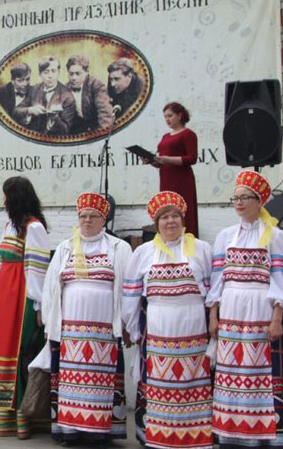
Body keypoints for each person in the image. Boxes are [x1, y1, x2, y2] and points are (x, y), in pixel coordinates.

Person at [123, 191, 213, 448]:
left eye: (175, 216)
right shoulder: (143, 252)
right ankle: (161, 438)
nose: (170, 221)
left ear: (183, 220)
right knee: (160, 382)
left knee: (191, 382)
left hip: (193, 324)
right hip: (159, 324)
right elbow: (130, 294)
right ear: (156, 223)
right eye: (164, 217)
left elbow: (214, 290)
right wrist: (131, 327)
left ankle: (194, 438)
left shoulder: (202, 249)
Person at [42, 193, 132, 444]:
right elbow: (51, 286)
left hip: (104, 331)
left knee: (101, 382)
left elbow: (128, 287)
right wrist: (51, 325)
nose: (88, 220)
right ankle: (71, 430)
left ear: (104, 220)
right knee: (72, 382)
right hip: (70, 332)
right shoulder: (66, 247)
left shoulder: (118, 248)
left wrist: (126, 324)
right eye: (83, 216)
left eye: (94, 216)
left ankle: (100, 431)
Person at [206, 171, 283, 446]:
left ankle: (259, 434)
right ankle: (229, 432)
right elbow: (218, 279)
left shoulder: (275, 236)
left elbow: (279, 279)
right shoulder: (225, 236)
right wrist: (214, 315)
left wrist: (277, 317)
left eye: (244, 198)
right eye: (235, 198)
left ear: (259, 200)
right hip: (231, 308)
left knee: (258, 368)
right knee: (230, 369)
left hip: (260, 307)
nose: (238, 203)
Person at [0, 176, 51, 438]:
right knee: (3, 348)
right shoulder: (9, 226)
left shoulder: (33, 228)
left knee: (20, 352)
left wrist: (39, 304)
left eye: (7, 195)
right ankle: (2, 417)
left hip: (22, 299)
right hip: (6, 299)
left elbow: (37, 269)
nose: (4, 200)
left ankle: (25, 418)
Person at [148, 102, 199, 237]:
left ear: (180, 115)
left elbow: (191, 158)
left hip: (182, 179)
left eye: (170, 116)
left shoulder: (188, 134)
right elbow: (162, 162)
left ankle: (187, 239)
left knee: (183, 210)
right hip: (166, 177)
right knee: (167, 208)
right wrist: (152, 162)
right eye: (165, 117)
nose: (167, 119)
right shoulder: (165, 136)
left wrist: (168, 159)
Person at [64, 55, 112, 134]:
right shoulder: (66, 88)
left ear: (86, 72)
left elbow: (105, 113)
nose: (73, 78)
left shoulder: (96, 85)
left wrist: (102, 135)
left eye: (77, 74)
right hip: (78, 130)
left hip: (96, 129)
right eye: (71, 74)